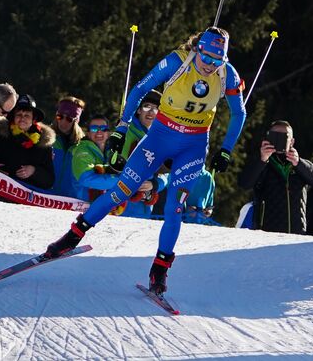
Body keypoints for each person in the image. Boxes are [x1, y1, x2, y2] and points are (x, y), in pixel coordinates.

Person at [43, 26, 247, 295]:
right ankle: (71, 237)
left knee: (175, 207)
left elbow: (239, 113)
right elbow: (140, 89)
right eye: (206, 57)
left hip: (194, 146)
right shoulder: (177, 61)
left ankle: (159, 271)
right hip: (159, 137)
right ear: (197, 49)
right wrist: (122, 127)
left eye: (217, 60)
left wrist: (226, 150)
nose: (210, 65)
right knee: (121, 192)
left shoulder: (227, 74)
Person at [238, 120, 313, 234]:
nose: (279, 139)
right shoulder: (262, 163)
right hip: (267, 232)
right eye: (275, 135)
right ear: (268, 138)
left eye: (284, 136)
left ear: (292, 141)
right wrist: (262, 160)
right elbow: (245, 184)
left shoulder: (299, 164)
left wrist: (299, 163)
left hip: (296, 232)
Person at [120, 90, 169, 218]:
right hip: (120, 204)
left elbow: (165, 174)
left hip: (143, 209)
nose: (151, 112)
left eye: (156, 109)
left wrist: (154, 184)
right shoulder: (126, 131)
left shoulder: (160, 139)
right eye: (147, 106)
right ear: (138, 110)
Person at [0, 94, 55, 189]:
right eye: (19, 114)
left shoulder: (43, 143)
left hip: (25, 198)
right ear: (13, 116)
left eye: (27, 115)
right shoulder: (0, 133)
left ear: (34, 119)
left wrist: (34, 171)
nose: (22, 118)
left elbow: (49, 181)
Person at [50, 96, 86, 197]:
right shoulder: (46, 138)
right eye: (60, 117)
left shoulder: (83, 145)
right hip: (46, 196)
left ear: (76, 120)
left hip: (71, 200)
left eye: (69, 119)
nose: (63, 122)